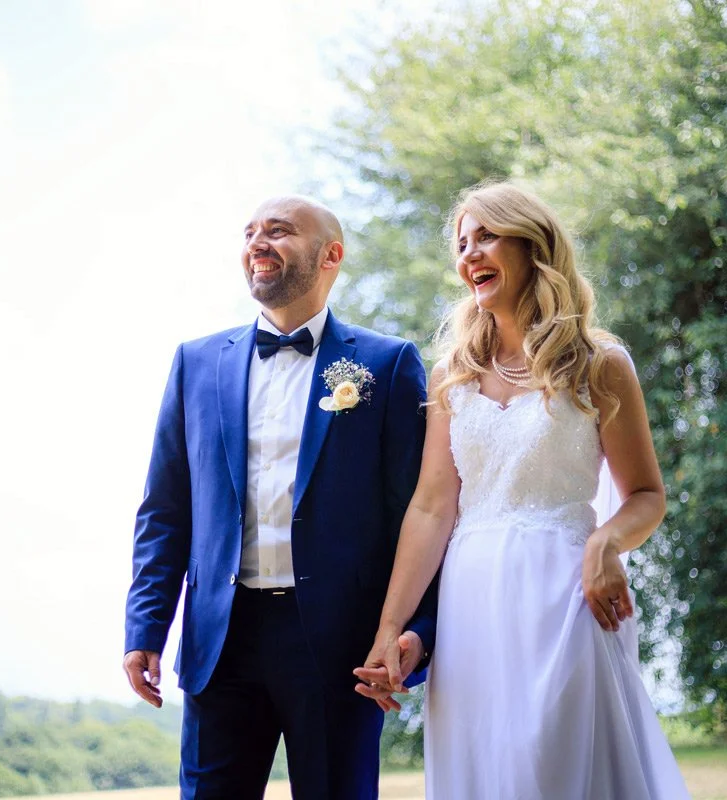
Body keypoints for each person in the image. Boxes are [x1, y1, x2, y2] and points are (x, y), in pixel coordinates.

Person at [354, 181, 691, 798]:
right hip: (471, 602)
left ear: (532, 244)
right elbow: (432, 507)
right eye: (462, 244)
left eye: (487, 236)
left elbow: (645, 494)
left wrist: (605, 546)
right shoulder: (453, 373)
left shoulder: (599, 361)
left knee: (555, 764)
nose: (470, 254)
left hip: (566, 594)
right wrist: (389, 627)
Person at [123, 195, 437, 799]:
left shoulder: (386, 363)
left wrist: (416, 632)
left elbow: (419, 514)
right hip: (221, 640)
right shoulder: (195, 364)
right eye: (249, 234)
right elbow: (165, 511)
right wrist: (145, 627)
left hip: (341, 646)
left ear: (330, 256)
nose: (257, 244)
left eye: (279, 231)